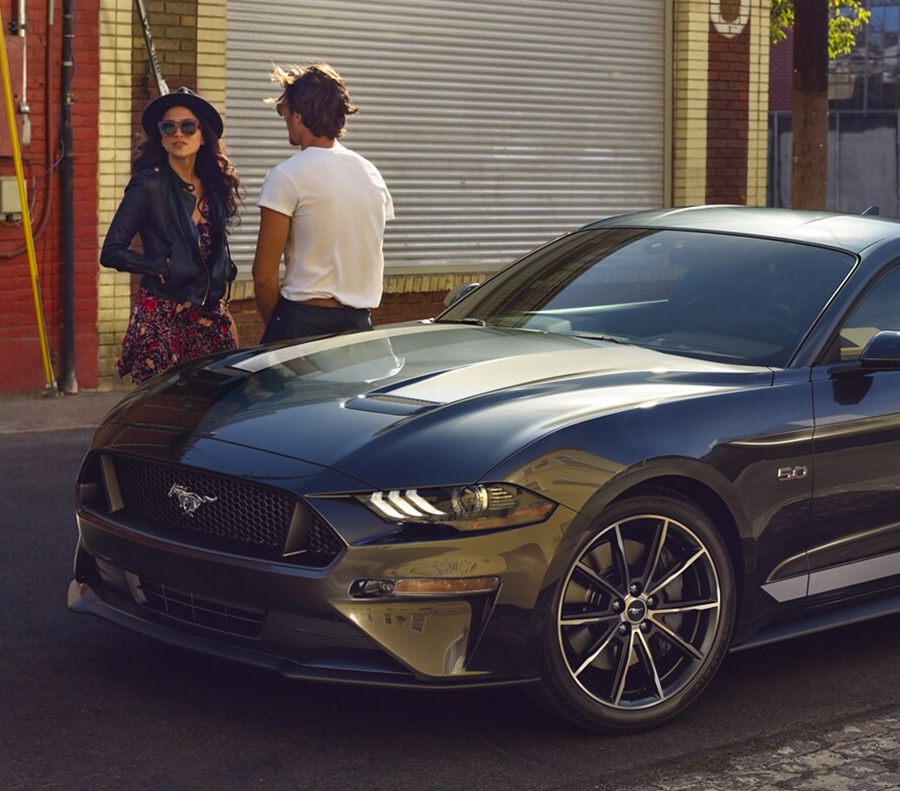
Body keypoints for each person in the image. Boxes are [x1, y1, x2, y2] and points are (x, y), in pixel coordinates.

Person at [101, 87, 242, 384]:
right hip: (163, 315)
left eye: (188, 127)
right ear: (162, 138)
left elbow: (215, 253)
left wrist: (224, 305)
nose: (179, 134)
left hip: (208, 316)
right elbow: (111, 250)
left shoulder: (215, 187)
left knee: (212, 407)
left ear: (202, 136)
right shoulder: (148, 185)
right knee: (163, 413)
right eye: (169, 127)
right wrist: (157, 265)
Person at [252, 63, 394, 344]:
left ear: (298, 116)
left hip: (302, 321)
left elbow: (264, 277)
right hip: (360, 327)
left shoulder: (286, 176)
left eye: (285, 113)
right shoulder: (370, 173)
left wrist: (279, 328)